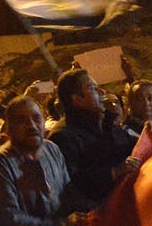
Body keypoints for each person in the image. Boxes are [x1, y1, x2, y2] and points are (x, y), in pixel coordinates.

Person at [0, 94, 79, 226]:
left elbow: (68, 194)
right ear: (8, 128)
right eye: (21, 121)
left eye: (36, 118)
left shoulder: (52, 150)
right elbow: (9, 222)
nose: (31, 125)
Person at [49, 69, 129, 215]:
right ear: (77, 99)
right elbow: (72, 182)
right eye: (92, 88)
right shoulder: (63, 137)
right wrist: (113, 173)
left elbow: (129, 148)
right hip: (99, 219)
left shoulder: (107, 125)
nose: (101, 91)